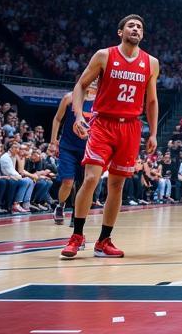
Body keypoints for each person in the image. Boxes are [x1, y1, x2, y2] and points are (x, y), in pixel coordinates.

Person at [60, 14, 159, 259]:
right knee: (91, 178)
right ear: (120, 32)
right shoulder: (104, 55)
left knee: (117, 185)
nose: (136, 29)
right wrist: (78, 115)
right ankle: (77, 235)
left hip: (131, 127)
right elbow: (81, 85)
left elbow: (152, 100)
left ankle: (104, 240)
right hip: (103, 123)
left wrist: (154, 132)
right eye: (131, 25)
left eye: (139, 27)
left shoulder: (151, 62)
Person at [48, 81, 95, 225]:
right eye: (91, 80)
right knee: (68, 181)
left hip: (88, 148)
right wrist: (53, 141)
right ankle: (60, 206)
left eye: (97, 81)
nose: (94, 83)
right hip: (67, 146)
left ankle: (77, 213)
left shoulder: (100, 102)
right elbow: (57, 119)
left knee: (83, 184)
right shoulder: (69, 97)